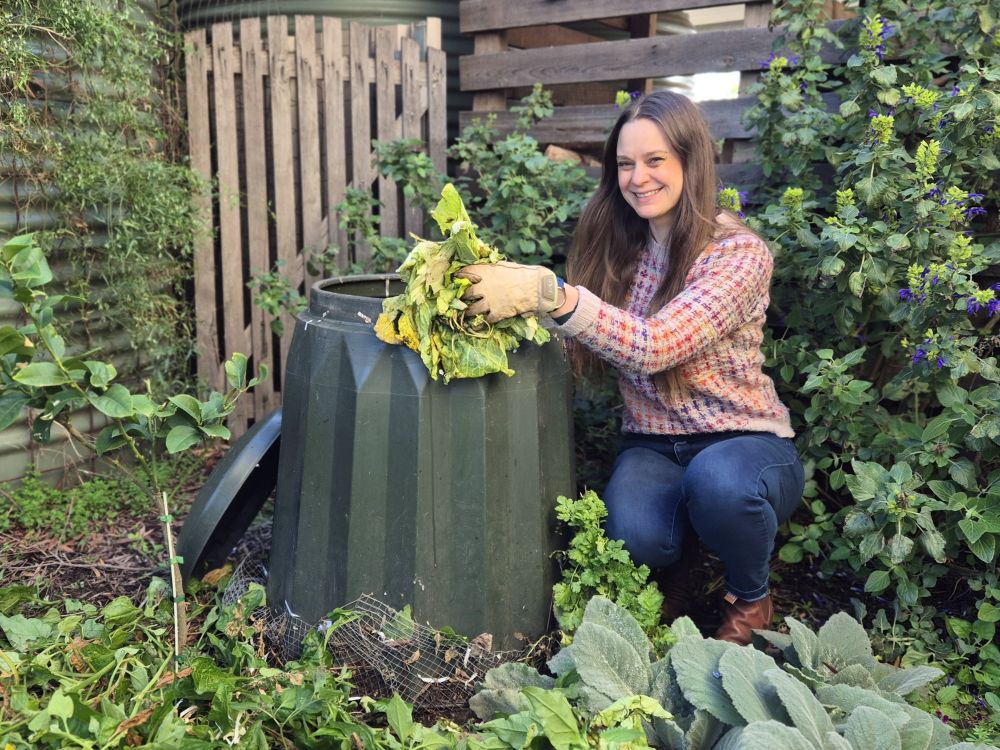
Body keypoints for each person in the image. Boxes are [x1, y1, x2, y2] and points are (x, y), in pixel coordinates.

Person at [458, 90, 804, 646]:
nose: (637, 177)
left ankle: (750, 597)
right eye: (624, 163)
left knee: (719, 484)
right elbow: (581, 346)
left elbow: (656, 345)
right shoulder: (622, 250)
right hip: (654, 444)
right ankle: (681, 568)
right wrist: (495, 323)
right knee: (632, 534)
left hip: (746, 444)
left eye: (654, 160)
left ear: (690, 163)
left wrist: (550, 294)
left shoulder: (737, 254)